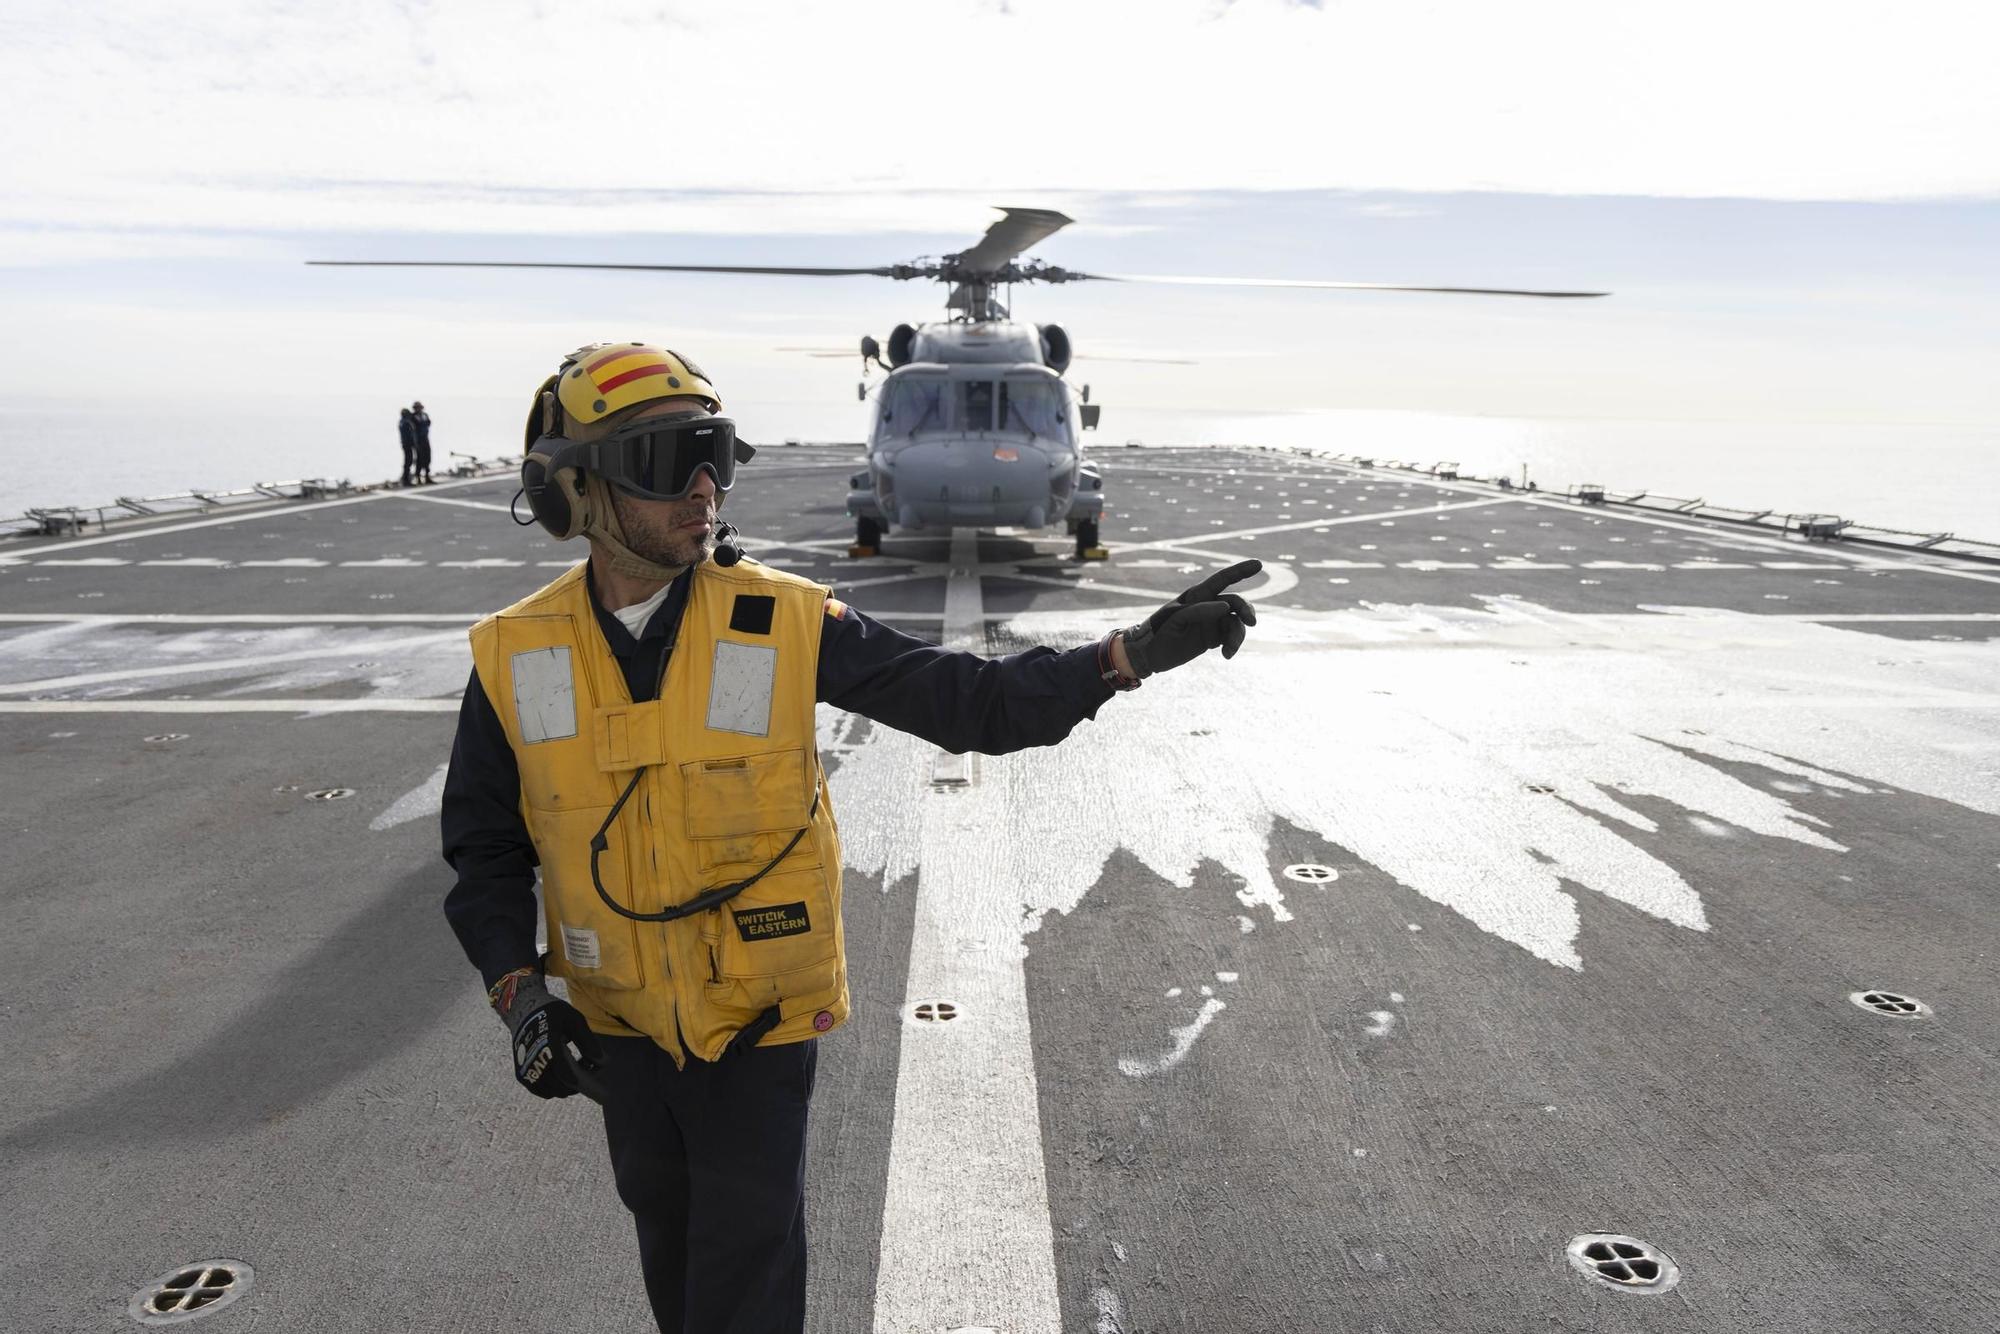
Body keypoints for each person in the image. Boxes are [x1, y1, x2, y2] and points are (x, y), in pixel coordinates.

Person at [440, 342, 1259, 1334]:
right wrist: (521, 995)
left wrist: (1122, 656)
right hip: (616, 1034)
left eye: (715, 456)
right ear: (576, 491)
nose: (702, 489)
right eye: (667, 462)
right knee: (672, 1252)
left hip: (754, 1024)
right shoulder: (515, 654)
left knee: (742, 1274)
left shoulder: (782, 620)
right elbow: (483, 852)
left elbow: (974, 704)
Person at [410, 400, 433, 483]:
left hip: (426, 439)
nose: (418, 409)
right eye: (417, 408)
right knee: (419, 459)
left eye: (419, 407)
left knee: (428, 458)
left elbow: (429, 423)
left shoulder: (425, 415)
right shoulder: (412, 417)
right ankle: (418, 477)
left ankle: (427, 475)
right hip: (418, 440)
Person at [397, 407, 418, 487]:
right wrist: (414, 443)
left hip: (406, 443)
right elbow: (410, 434)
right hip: (408, 444)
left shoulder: (402, 422)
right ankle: (405, 479)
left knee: (408, 461)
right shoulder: (406, 422)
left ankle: (406, 478)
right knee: (408, 461)